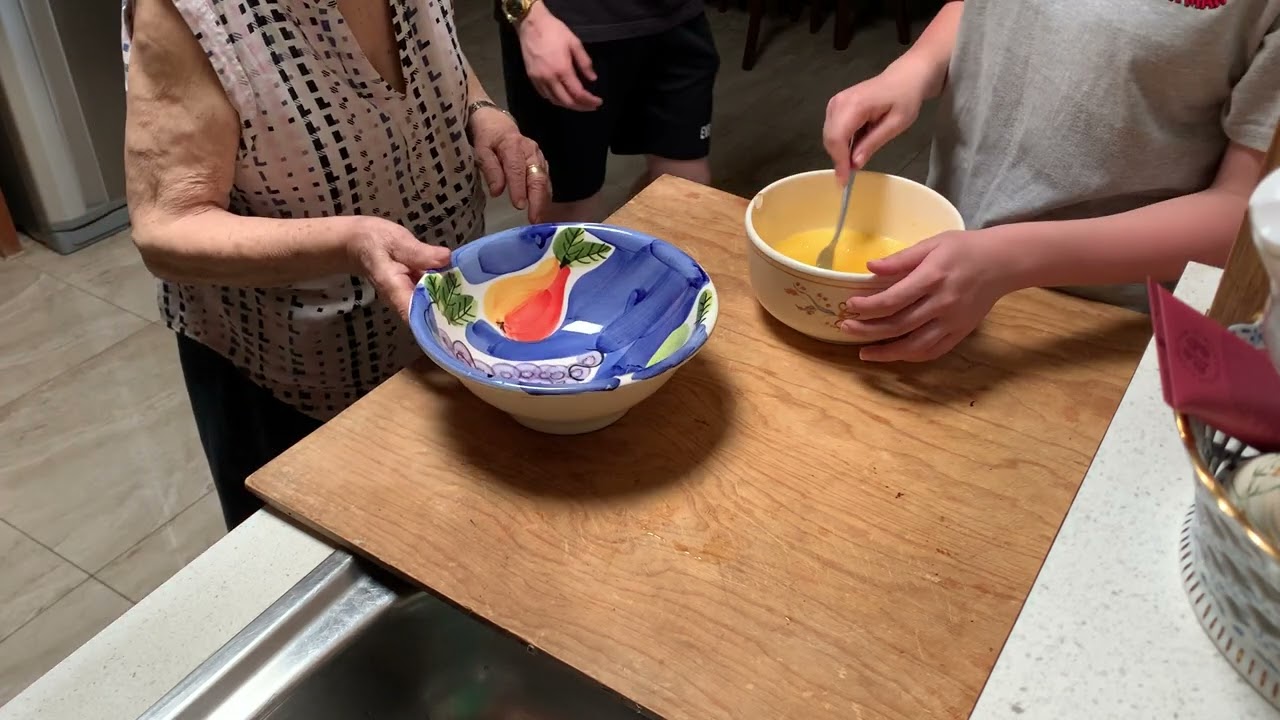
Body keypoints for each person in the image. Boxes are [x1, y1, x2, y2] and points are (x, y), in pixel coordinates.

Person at [122, 0, 551, 529]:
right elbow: (165, 229)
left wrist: (484, 113)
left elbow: (438, 55)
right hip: (292, 379)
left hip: (441, 344)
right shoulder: (191, 14)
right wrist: (348, 240)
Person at [822, 0, 1280, 363]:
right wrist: (914, 68)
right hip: (945, 258)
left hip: (1089, 319)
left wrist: (1014, 258)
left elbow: (1245, 209)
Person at [496, 0, 719, 222]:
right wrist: (529, 15)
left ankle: (628, 254)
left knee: (685, 190)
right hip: (560, 28)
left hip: (675, 20)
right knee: (572, 211)